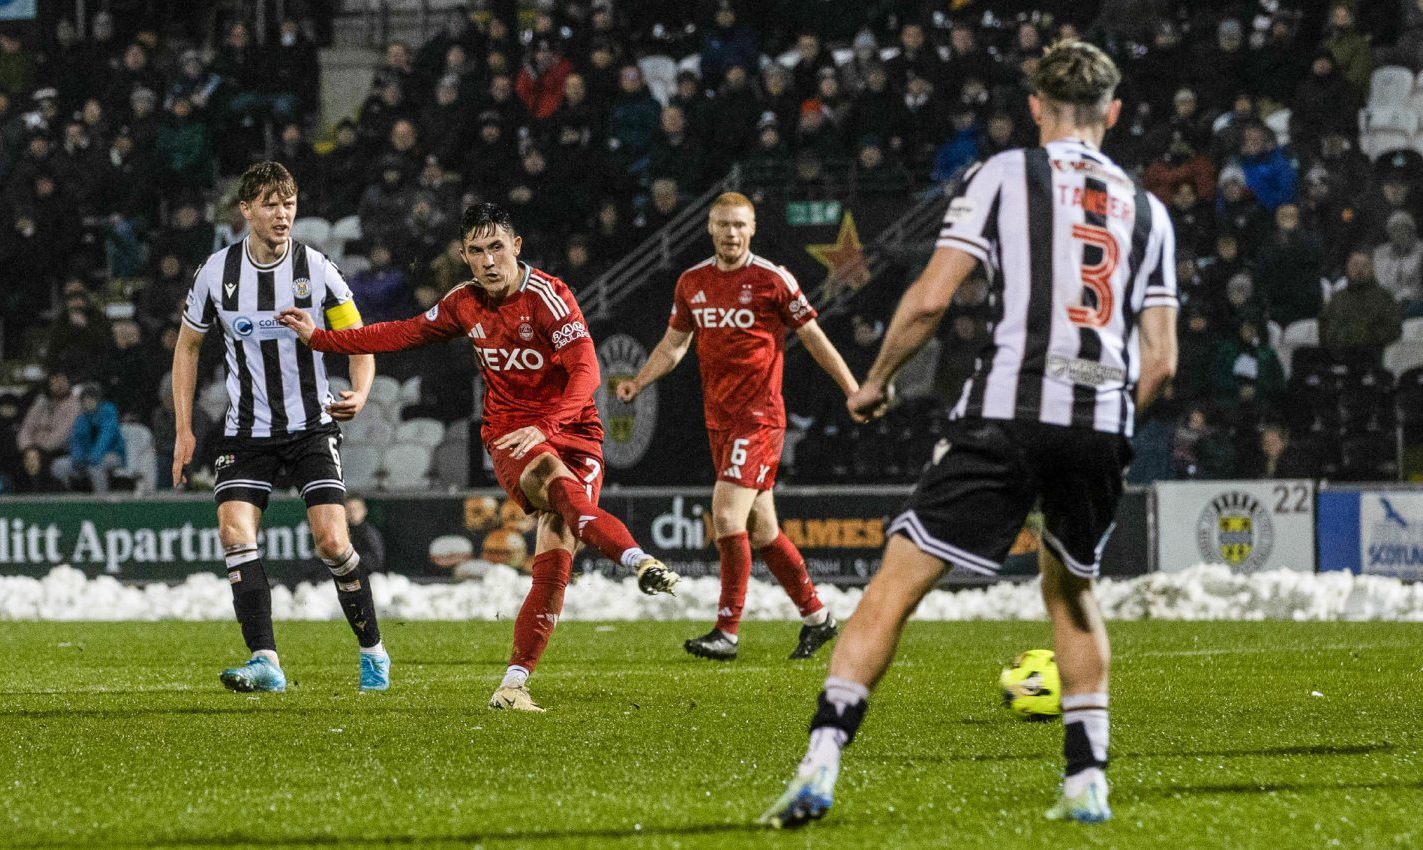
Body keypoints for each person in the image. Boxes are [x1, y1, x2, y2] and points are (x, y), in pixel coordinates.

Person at [761, 41, 1178, 828]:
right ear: (1113, 113)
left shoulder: (1004, 176)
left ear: (1035, 108)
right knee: (1073, 592)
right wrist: (1109, 425)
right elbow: (1160, 362)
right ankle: (1087, 780)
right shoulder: (1149, 211)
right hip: (1100, 419)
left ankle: (820, 760)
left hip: (1007, 410)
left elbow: (929, 300)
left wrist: (877, 379)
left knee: (895, 585)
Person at [276, 202, 680, 713]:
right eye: (476, 251)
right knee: (553, 481)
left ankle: (514, 683)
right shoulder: (463, 303)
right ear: (464, 257)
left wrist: (549, 426)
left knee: (553, 562)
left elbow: (587, 375)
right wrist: (323, 338)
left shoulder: (551, 299)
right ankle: (637, 559)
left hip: (574, 429)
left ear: (516, 246)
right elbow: (399, 333)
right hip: (512, 435)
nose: (488, 260)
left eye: (496, 247)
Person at [172, 162, 390, 694]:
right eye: (270, 203)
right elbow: (188, 346)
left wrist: (360, 393)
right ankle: (265, 660)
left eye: (289, 203)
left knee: (332, 543)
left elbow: (358, 339)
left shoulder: (316, 269)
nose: (282, 214)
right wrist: (184, 428)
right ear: (245, 210)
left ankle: (373, 651)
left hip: (310, 426)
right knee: (233, 533)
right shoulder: (215, 274)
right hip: (246, 430)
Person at [615, 192, 857, 661]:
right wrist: (639, 382)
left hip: (760, 417)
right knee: (763, 532)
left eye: (739, 225)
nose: (731, 233)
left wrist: (851, 389)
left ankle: (726, 631)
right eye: (723, 225)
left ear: (752, 229)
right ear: (710, 228)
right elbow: (674, 345)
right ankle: (818, 618)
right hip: (719, 420)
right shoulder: (693, 282)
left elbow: (813, 336)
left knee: (725, 515)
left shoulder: (773, 279)